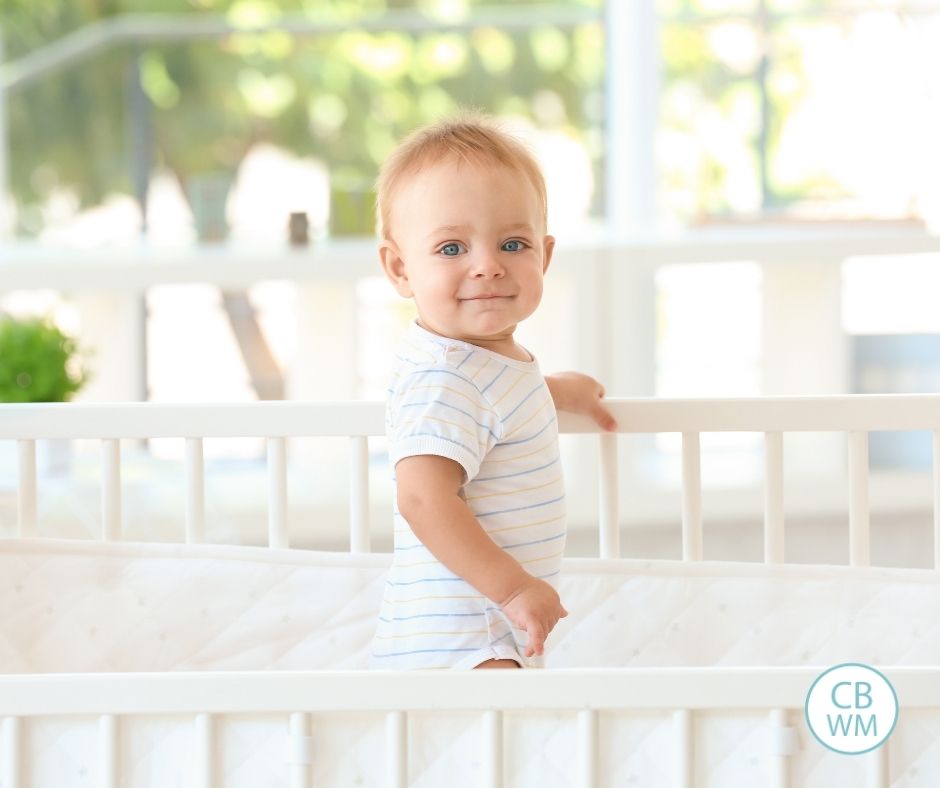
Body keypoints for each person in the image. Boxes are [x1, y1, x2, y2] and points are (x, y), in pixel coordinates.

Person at [370, 111, 616, 671]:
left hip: (475, 629)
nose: (488, 267)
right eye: (452, 249)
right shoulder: (444, 380)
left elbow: (490, 404)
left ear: (544, 257)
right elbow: (424, 498)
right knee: (506, 753)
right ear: (400, 269)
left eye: (512, 244)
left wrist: (552, 391)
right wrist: (511, 590)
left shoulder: (468, 365)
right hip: (468, 634)